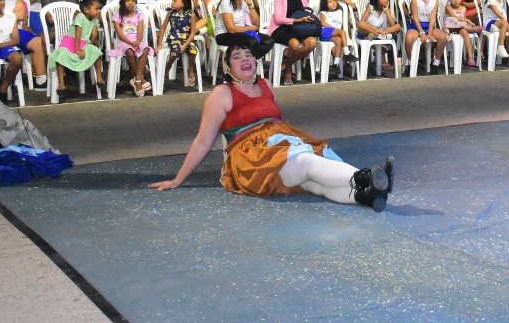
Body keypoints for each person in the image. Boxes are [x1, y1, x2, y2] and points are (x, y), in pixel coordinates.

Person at [148, 33, 394, 212]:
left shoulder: (266, 85)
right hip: (250, 158)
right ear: (227, 65)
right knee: (307, 163)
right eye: (236, 56)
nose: (245, 59)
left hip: (281, 145)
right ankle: (364, 176)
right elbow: (203, 140)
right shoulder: (221, 94)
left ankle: (367, 195)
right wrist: (178, 179)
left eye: (248, 55)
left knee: (313, 183)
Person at [269, 0, 330, 85]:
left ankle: (286, 63)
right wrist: (298, 20)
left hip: (300, 27)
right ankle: (288, 72)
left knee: (312, 42)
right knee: (294, 44)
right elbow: (278, 19)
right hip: (282, 28)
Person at [48, 0, 105, 96]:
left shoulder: (94, 19)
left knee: (96, 52)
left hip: (84, 43)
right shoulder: (80, 17)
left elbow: (94, 33)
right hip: (71, 42)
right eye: (96, 8)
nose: (98, 10)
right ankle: (61, 83)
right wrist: (78, 50)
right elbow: (77, 35)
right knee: (61, 55)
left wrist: (89, 45)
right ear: (86, 10)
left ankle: (99, 78)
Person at [109, 0, 154, 96]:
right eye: (128, 0)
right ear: (123, 2)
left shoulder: (139, 15)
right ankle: (141, 79)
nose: (130, 3)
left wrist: (138, 41)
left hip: (136, 41)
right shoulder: (117, 16)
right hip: (124, 41)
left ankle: (137, 79)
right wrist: (131, 43)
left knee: (145, 49)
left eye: (133, 1)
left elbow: (140, 32)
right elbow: (120, 34)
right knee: (129, 52)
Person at [156, 0, 203, 88]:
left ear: (183, 3)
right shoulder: (170, 13)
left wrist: (185, 45)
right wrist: (159, 44)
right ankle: (168, 67)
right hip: (174, 38)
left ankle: (190, 69)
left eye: (174, 1)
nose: (172, 3)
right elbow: (163, 28)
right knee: (175, 51)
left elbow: (193, 32)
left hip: (187, 39)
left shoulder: (191, 14)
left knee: (193, 50)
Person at [404, 0, 447, 69]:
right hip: (416, 25)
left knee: (443, 37)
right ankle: (410, 62)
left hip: (429, 26)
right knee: (408, 38)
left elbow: (432, 18)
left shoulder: (435, 0)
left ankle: (436, 63)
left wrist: (430, 34)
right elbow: (415, 17)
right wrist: (422, 32)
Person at [444, 0, 481, 67]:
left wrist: (466, 22)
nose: (455, 0)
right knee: (455, 21)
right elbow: (454, 17)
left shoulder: (463, 8)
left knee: (464, 32)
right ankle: (471, 29)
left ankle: (470, 57)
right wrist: (467, 20)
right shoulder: (448, 7)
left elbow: (462, 22)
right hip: (450, 28)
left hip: (461, 28)